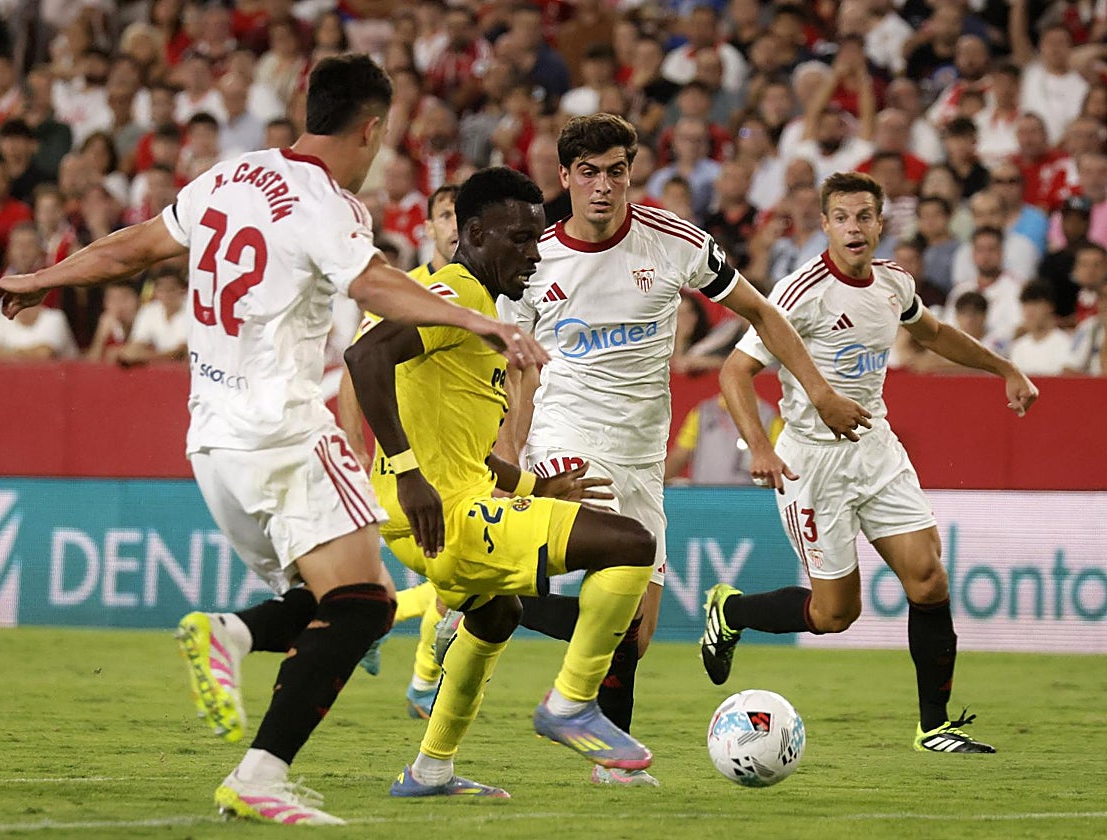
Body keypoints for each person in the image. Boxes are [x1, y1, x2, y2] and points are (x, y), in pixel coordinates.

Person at [0, 54, 547, 827]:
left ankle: (237, 642)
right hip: (282, 427)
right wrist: (479, 318)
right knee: (364, 606)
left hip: (210, 440)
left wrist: (42, 278)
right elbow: (373, 284)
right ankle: (256, 758)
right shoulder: (332, 204)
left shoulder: (228, 177)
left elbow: (135, 246)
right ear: (372, 126)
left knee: (329, 602)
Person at [501, 114, 871, 787]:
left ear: (631, 172)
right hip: (567, 440)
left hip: (643, 451)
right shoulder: (535, 260)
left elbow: (763, 313)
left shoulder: (674, 242)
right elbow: (514, 369)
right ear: (565, 177)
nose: (604, 186)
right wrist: (507, 452)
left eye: (617, 171)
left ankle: (479, 603)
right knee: (613, 581)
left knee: (634, 633)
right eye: (589, 172)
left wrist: (816, 390)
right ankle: (579, 720)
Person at [702, 170, 1039, 755]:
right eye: (842, 218)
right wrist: (759, 446)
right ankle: (731, 610)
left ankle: (934, 726)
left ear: (881, 224)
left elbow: (933, 334)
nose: (854, 228)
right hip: (812, 464)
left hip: (875, 448)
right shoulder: (797, 292)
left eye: (865, 216)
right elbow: (735, 371)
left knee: (929, 579)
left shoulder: (895, 284)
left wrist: (1004, 368)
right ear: (825, 224)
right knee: (836, 615)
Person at [345, 166, 655, 799]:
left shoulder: (470, 306)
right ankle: (570, 702)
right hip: (441, 512)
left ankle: (430, 771)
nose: (533, 255)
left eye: (537, 239)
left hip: (425, 514)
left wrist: (533, 490)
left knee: (497, 615)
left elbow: (462, 449)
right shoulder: (455, 294)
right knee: (630, 544)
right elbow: (364, 357)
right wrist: (407, 474)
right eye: (519, 240)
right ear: (475, 232)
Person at [336, 181, 462, 719]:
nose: (456, 226)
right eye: (447, 215)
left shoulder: (495, 291)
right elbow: (356, 365)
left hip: (459, 462)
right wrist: (354, 446)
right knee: (463, 583)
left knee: (455, 584)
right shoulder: (405, 290)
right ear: (428, 227)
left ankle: (393, 643)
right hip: (409, 467)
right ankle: (419, 679)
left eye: (465, 215)